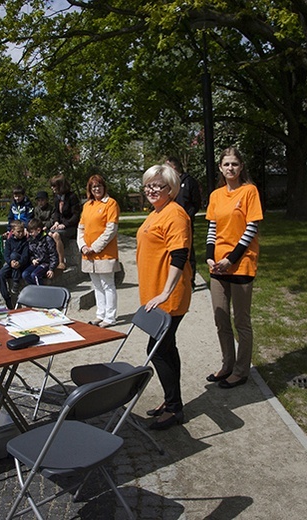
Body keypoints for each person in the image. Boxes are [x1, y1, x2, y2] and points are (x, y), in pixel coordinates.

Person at [136, 164, 192, 430]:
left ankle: (174, 408)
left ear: (171, 189)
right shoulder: (156, 212)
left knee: (156, 350)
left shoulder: (175, 214)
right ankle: (172, 401)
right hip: (155, 295)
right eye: (149, 185)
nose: (152, 190)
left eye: (158, 186)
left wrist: (165, 292)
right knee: (167, 350)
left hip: (168, 297)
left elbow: (179, 255)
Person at [205, 147, 264, 389]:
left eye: (235, 164)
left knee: (241, 321)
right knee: (221, 318)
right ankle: (227, 364)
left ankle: (241, 371)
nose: (230, 168)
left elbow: (252, 228)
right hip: (218, 266)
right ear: (220, 167)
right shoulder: (216, 195)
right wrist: (210, 257)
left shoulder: (249, 191)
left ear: (241, 168)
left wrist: (232, 258)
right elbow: (212, 228)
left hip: (241, 263)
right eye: (226, 164)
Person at [77, 174, 121, 327]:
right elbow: (81, 228)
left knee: (108, 284)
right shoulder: (87, 205)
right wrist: (83, 246)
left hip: (104, 253)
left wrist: (94, 247)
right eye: (93, 186)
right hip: (88, 254)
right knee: (96, 285)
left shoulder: (111, 204)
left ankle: (110, 317)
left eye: (99, 186)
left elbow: (111, 229)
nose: (96, 189)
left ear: (104, 187)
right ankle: (100, 314)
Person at [167, 156, 202, 288]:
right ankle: (175, 280)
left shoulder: (189, 182)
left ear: (175, 167)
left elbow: (196, 202)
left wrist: (187, 216)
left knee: (188, 251)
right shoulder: (168, 183)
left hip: (185, 222)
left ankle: (190, 281)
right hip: (170, 222)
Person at [49, 174, 81, 269]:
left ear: (60, 186)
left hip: (71, 226)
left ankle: (61, 262)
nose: (52, 188)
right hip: (60, 226)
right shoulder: (56, 198)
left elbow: (76, 215)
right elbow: (57, 213)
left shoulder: (72, 197)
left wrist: (64, 224)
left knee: (56, 235)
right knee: (49, 234)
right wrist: (56, 222)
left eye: (54, 186)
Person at [0, 220, 30, 308]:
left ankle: (16, 281)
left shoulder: (25, 242)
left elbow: (25, 255)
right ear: (13, 232)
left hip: (21, 264)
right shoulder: (9, 241)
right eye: (18, 232)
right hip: (11, 263)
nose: (20, 234)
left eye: (22, 231)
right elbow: (6, 254)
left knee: (14, 255)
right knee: (0, 274)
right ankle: (6, 297)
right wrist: (10, 262)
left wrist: (19, 262)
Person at [23, 219, 57, 285]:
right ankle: (33, 288)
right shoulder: (31, 240)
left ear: (38, 230)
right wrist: (33, 259)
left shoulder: (47, 239)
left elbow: (53, 254)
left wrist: (51, 269)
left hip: (46, 263)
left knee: (35, 275)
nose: (30, 234)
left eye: (32, 232)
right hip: (36, 262)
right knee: (25, 274)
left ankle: (40, 291)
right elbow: (31, 253)